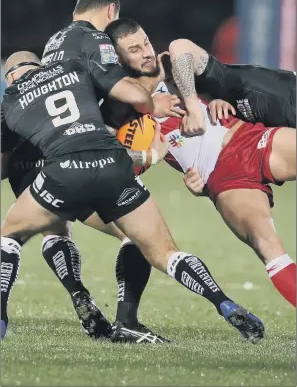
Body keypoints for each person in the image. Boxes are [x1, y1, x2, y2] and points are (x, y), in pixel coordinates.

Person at [1, 51, 264, 344]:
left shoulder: (10, 101)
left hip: (60, 172)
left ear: (9, 77)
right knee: (161, 251)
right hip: (112, 165)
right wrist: (151, 120)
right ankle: (221, 302)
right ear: (42, 66)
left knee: (14, 235)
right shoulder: (73, 68)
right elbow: (121, 97)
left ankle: (12, 313)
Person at [2, 0, 183, 343]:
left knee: (46, 228)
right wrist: (149, 102)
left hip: (39, 164)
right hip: (78, 160)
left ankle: (75, 295)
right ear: (111, 11)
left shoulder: (44, 58)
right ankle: (126, 318)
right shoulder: (89, 41)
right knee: (132, 234)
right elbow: (115, 98)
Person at [104, 17, 296, 309]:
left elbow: (183, 49)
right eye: (134, 49)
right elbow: (108, 159)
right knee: (270, 249)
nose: (145, 52)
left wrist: (203, 104)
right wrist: (152, 157)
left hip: (247, 138)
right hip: (220, 177)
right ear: (117, 58)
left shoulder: (168, 66)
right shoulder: (118, 109)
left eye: (145, 42)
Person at [167, 39, 296, 135]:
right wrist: (199, 108)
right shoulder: (217, 86)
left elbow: (180, 47)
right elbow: (179, 48)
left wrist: (195, 110)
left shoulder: (219, 82)